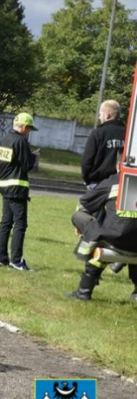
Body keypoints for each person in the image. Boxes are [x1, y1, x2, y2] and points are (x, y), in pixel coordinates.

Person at [67, 165, 137, 302]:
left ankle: (84, 291)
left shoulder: (115, 181)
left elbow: (85, 204)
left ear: (118, 165)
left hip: (113, 240)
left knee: (82, 219)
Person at [0, 113, 39, 272]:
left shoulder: (5, 139)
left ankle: (1, 258)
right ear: (24, 127)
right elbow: (26, 165)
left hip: (4, 185)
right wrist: (33, 156)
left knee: (5, 222)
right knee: (20, 224)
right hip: (16, 187)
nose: (29, 132)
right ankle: (17, 260)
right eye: (29, 129)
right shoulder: (21, 141)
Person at [81, 100, 124, 189]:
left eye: (100, 114)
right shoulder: (128, 134)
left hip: (98, 182)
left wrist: (87, 179)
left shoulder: (98, 133)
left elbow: (87, 160)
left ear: (107, 115)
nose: (100, 118)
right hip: (120, 183)